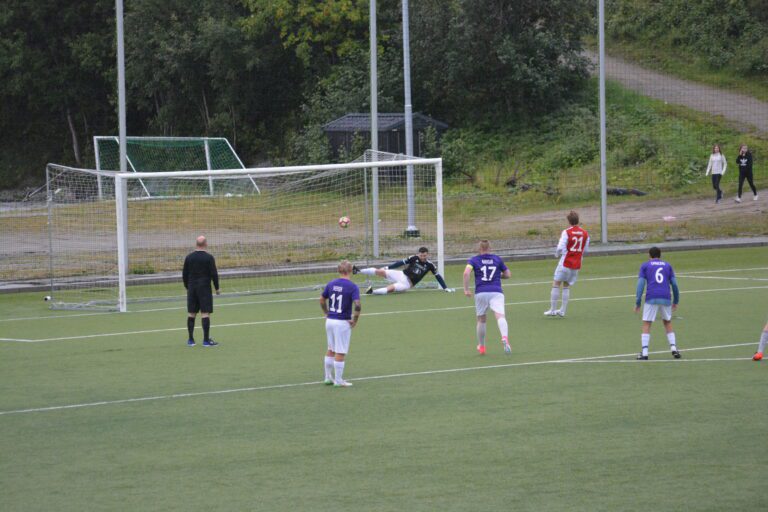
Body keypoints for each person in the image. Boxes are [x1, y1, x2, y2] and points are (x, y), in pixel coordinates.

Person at [463, 240, 512, 355]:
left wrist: (466, 289)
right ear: (490, 248)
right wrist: (499, 275)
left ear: (479, 249)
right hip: (496, 292)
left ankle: (482, 346)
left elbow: (466, 273)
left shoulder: (474, 260)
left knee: (481, 319)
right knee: (500, 316)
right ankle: (505, 337)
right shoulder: (497, 259)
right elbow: (508, 274)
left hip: (481, 292)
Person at [634, 246, 681, 360]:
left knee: (647, 323)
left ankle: (645, 353)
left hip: (651, 297)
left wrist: (638, 302)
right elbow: (674, 285)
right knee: (667, 322)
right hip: (666, 297)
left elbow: (640, 285)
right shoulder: (667, 265)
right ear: (660, 255)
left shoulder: (645, 265)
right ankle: (674, 349)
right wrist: (675, 300)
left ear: (649, 255)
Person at [320, 260, 361, 387]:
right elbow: (358, 305)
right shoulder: (352, 286)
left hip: (330, 321)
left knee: (331, 349)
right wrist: (354, 320)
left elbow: (322, 299)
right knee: (340, 351)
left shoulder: (331, 283)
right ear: (350, 271)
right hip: (341, 322)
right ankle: (338, 381)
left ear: (338, 271)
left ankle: (327, 377)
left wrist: (326, 312)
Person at [544, 211, 589, 317]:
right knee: (566, 286)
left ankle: (553, 309)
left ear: (569, 221)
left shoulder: (566, 232)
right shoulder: (585, 233)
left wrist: (557, 254)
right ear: (578, 220)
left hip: (565, 262)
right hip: (577, 264)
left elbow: (560, 247)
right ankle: (563, 310)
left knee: (556, 283)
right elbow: (585, 250)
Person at [354, 247, 453, 295]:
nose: (423, 257)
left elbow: (437, 276)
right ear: (418, 254)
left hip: (407, 284)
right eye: (421, 255)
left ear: (427, 255)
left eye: (425, 255)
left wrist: (445, 288)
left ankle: (372, 292)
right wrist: (388, 267)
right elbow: (401, 263)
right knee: (380, 271)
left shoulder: (430, 265)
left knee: (390, 289)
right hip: (401, 274)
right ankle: (358, 271)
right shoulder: (414, 258)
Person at [182, 235, 220, 347]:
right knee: (205, 313)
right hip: (204, 289)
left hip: (192, 288)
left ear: (196, 244)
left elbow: (184, 274)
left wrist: (187, 287)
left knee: (191, 313)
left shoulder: (189, 257)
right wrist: (217, 288)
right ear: (206, 244)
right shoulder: (209, 258)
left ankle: (191, 340)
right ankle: (206, 341)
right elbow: (214, 274)